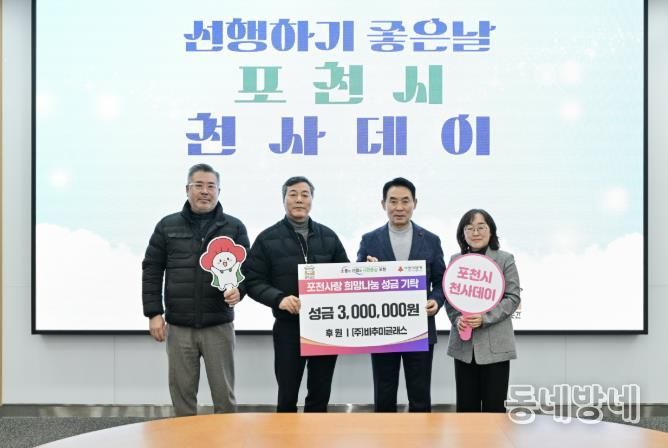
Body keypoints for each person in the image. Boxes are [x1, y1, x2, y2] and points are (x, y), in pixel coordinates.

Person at [142, 163, 250, 416]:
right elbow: (152, 269)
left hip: (219, 324)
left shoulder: (234, 227)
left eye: (211, 186)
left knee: (224, 396)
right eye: (198, 185)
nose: (204, 191)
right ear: (187, 189)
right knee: (182, 396)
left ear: (219, 191)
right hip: (179, 326)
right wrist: (154, 313)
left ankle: (226, 437)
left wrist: (240, 290)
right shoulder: (167, 226)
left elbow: (249, 269)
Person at [243, 176, 349, 412]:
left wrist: (370, 270)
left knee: (320, 394)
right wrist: (279, 299)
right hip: (288, 328)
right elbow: (253, 281)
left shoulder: (329, 237)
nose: (299, 199)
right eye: (293, 194)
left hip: (324, 327)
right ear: (284, 200)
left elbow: (346, 277)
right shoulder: (267, 239)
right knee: (287, 394)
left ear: (312, 200)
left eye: (305, 194)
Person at [356, 177, 446, 412]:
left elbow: (441, 281)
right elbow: (356, 283)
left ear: (415, 203)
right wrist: (367, 272)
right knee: (384, 393)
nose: (399, 207)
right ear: (383, 204)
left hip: (420, 327)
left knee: (420, 393)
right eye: (393, 201)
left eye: (405, 201)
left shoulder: (431, 240)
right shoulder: (369, 240)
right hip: (383, 329)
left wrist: (435, 301)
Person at [445, 209, 521, 412]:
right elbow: (449, 299)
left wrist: (484, 318)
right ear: (462, 234)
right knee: (466, 410)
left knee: (494, 411)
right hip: (463, 348)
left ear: (491, 231)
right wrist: (457, 319)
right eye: (469, 228)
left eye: (481, 227)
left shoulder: (505, 259)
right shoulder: (455, 260)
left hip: (496, 347)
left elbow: (513, 298)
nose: (475, 232)